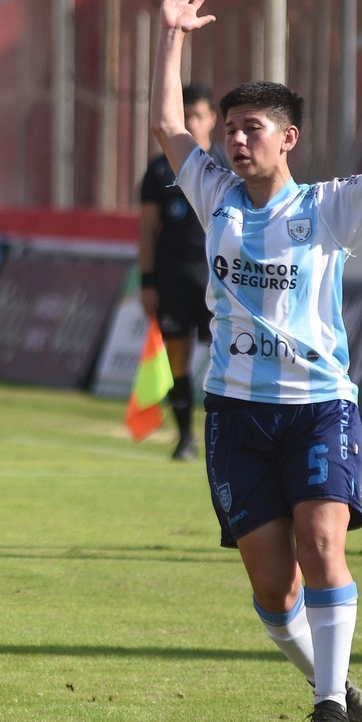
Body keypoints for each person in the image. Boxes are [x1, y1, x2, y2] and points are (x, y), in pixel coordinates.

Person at [151, 0, 362, 722]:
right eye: (228, 128)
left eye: (251, 127)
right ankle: (330, 680)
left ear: (286, 137)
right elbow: (167, 121)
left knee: (321, 543)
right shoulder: (210, 192)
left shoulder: (328, 205)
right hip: (234, 413)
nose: (234, 139)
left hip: (318, 407)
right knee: (271, 585)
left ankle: (326, 702)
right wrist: (171, 35)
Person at [138, 82, 227, 460]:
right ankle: (185, 438)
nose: (191, 122)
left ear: (211, 120)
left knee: (225, 361)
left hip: (218, 280)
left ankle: (221, 439)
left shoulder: (226, 164)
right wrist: (146, 280)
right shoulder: (159, 171)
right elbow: (145, 229)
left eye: (197, 115)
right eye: (185, 115)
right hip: (172, 278)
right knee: (177, 360)